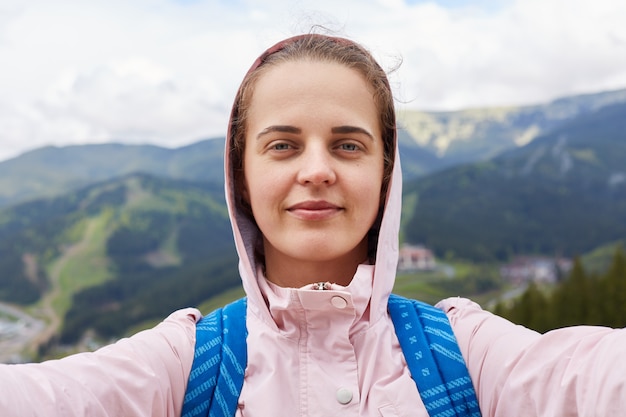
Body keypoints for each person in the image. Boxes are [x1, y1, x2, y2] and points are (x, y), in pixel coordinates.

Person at [1, 32, 625, 417]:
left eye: (349, 145)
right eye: (282, 146)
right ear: (239, 175)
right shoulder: (185, 366)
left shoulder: (463, 355)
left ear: (386, 176)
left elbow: (586, 380)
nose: (318, 169)